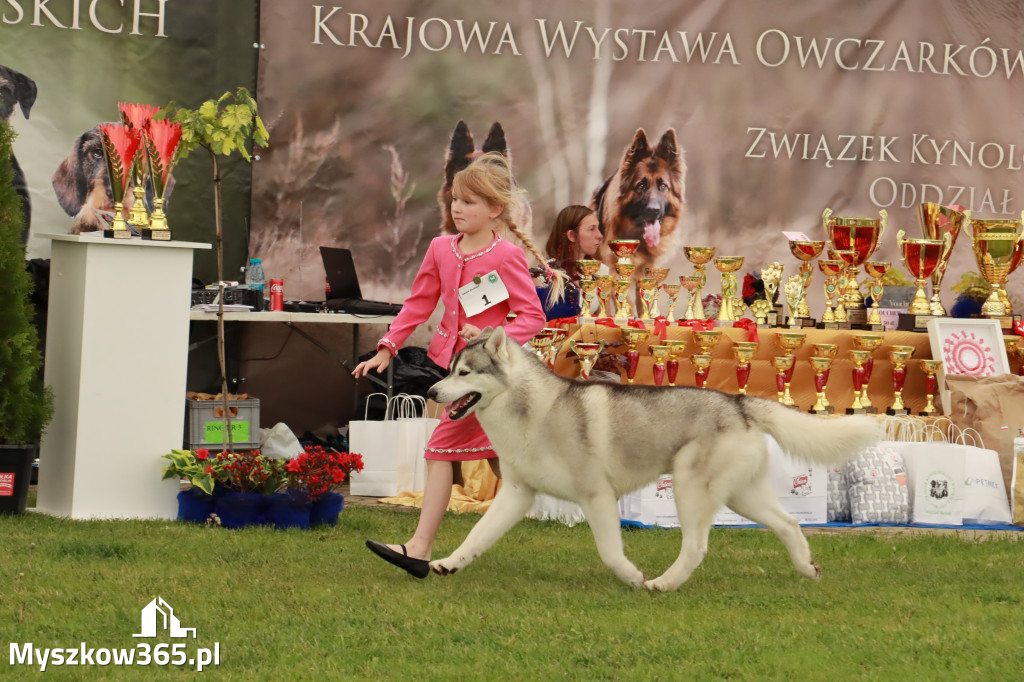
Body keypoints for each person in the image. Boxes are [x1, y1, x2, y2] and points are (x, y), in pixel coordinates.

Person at [353, 152, 555, 578]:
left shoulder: (507, 257)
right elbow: (419, 302)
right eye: (454, 201)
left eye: (469, 202)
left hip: (493, 380)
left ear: (495, 210)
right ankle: (585, 507)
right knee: (509, 462)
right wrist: (388, 346)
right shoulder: (440, 248)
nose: (457, 209)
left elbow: (533, 317)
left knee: (439, 450)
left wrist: (486, 344)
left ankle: (419, 549)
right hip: (456, 373)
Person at [537, 205, 606, 319]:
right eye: (591, 229)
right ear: (572, 235)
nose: (599, 235)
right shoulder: (543, 274)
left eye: (598, 228)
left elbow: (603, 318)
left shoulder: (601, 271)